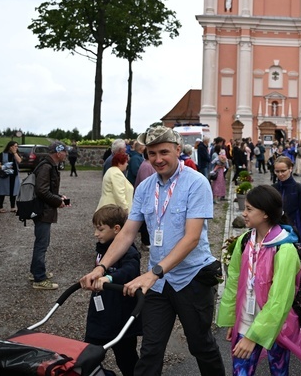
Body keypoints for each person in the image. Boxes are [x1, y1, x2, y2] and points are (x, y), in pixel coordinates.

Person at [80, 126, 225, 376]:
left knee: (201, 345)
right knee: (150, 350)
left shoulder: (196, 182)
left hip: (191, 278)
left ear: (178, 150)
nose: (157, 159)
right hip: (158, 285)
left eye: (164, 152)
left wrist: (154, 272)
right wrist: (100, 267)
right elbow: (127, 232)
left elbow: (191, 238)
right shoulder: (145, 187)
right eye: (151, 153)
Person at [216, 185, 301, 374]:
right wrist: (234, 320)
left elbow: (280, 299)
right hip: (245, 322)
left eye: (249, 209)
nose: (244, 213)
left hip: (277, 326)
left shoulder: (285, 249)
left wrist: (254, 336)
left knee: (279, 371)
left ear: (265, 214)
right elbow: (234, 282)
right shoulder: (244, 241)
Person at [86, 205, 141, 376]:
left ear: (117, 229)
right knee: (87, 356)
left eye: (100, 229)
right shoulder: (101, 250)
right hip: (100, 314)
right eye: (95, 229)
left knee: (126, 359)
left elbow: (131, 269)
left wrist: (110, 278)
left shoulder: (129, 251)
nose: (96, 233)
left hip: (120, 316)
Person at [30, 141, 69, 290]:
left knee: (41, 243)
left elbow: (46, 189)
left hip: (43, 209)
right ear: (58, 153)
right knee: (42, 244)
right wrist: (57, 201)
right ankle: (39, 278)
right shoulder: (47, 166)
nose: (66, 154)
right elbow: (42, 190)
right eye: (64, 152)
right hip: (43, 211)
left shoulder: (47, 164)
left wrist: (59, 196)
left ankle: (36, 272)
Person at [273, 156, 301, 249]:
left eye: (283, 171)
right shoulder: (273, 188)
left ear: (290, 169)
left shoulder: (299, 189)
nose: (280, 174)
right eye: (277, 171)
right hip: (276, 233)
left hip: (295, 233)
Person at [0, 141, 21, 213]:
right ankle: (0, 207)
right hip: (5, 175)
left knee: (13, 191)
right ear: (10, 146)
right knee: (2, 191)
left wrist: (15, 153)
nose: (16, 147)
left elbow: (19, 161)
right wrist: (4, 166)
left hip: (14, 175)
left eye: (17, 146)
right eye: (14, 146)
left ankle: (13, 207)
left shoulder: (17, 154)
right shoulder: (2, 154)